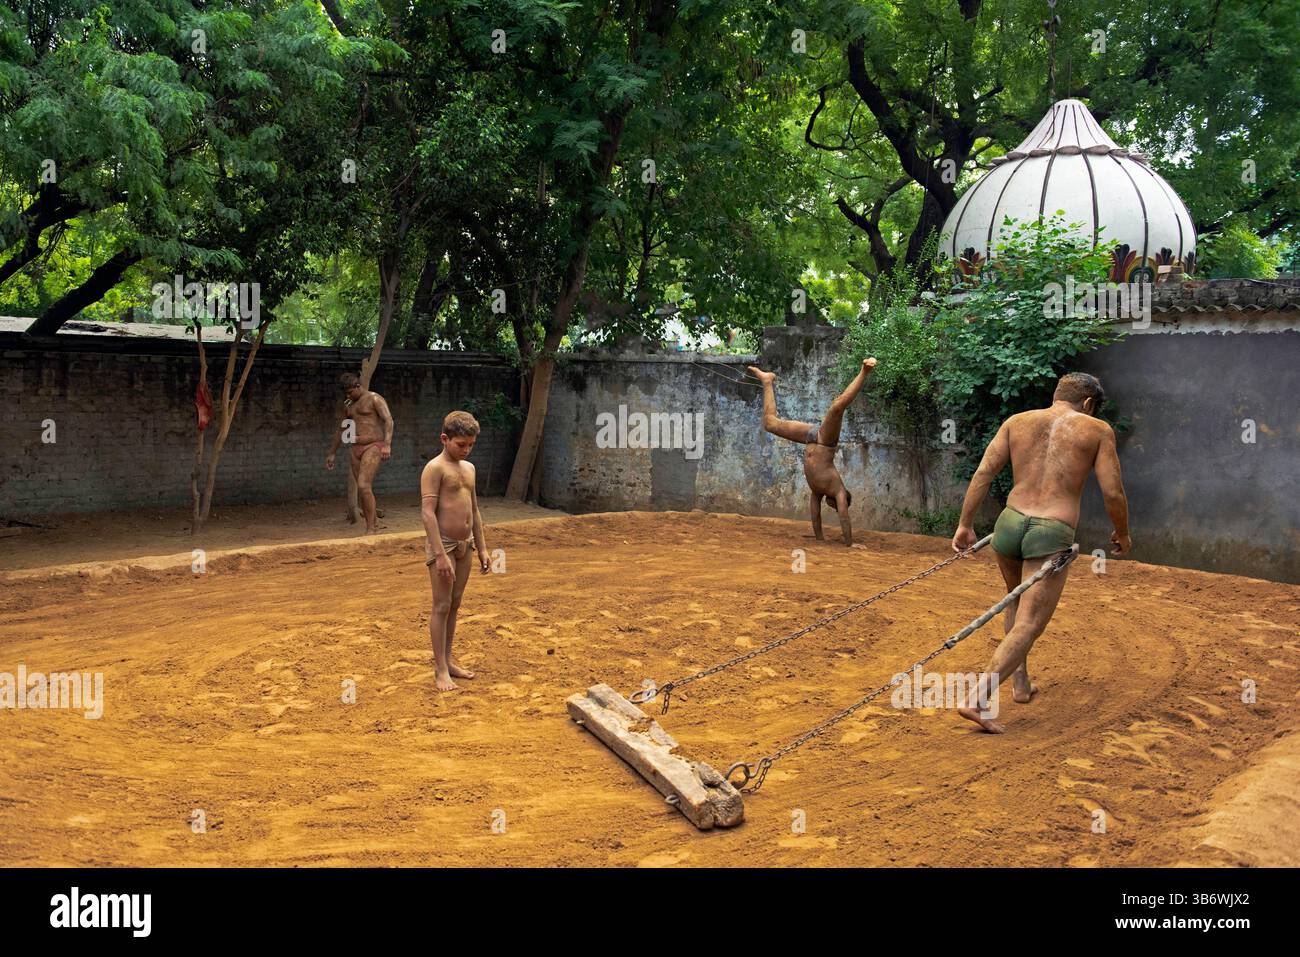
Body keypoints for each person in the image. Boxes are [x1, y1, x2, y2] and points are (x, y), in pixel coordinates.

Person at [950, 372, 1131, 732]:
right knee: (1030, 622)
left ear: (1057, 395)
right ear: (1089, 404)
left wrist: (965, 524)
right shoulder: (1097, 430)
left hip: (1009, 524)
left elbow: (984, 472)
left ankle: (1019, 684)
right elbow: (1112, 492)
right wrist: (1122, 532)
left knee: (1014, 600)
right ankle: (977, 699)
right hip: (1050, 532)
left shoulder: (1017, 422)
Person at [747, 358, 876, 546]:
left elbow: (815, 516)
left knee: (770, 424)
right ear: (842, 500)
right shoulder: (838, 490)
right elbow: (844, 518)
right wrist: (850, 543)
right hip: (825, 440)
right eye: (838, 506)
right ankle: (864, 371)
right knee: (837, 406)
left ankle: (767, 381)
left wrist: (819, 539)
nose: (835, 507)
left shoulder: (818, 490)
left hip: (809, 437)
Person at [419, 411, 491, 692]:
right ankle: (439, 669)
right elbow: (427, 513)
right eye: (461, 444)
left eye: (471, 445)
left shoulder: (469, 468)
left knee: (456, 603)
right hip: (444, 544)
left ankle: (448, 661)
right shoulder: (434, 468)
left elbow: (474, 510)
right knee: (441, 605)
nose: (467, 449)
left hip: (466, 544)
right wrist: (438, 554)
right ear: (444, 439)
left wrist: (483, 548)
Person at [325, 372, 393, 535]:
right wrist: (332, 453)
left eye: (350, 392)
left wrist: (387, 444)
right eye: (345, 393)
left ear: (358, 386)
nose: (348, 395)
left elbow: (388, 420)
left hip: (373, 446)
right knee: (364, 490)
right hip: (355, 449)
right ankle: (374, 523)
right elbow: (342, 429)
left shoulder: (374, 399)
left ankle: (370, 529)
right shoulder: (349, 405)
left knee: (363, 485)